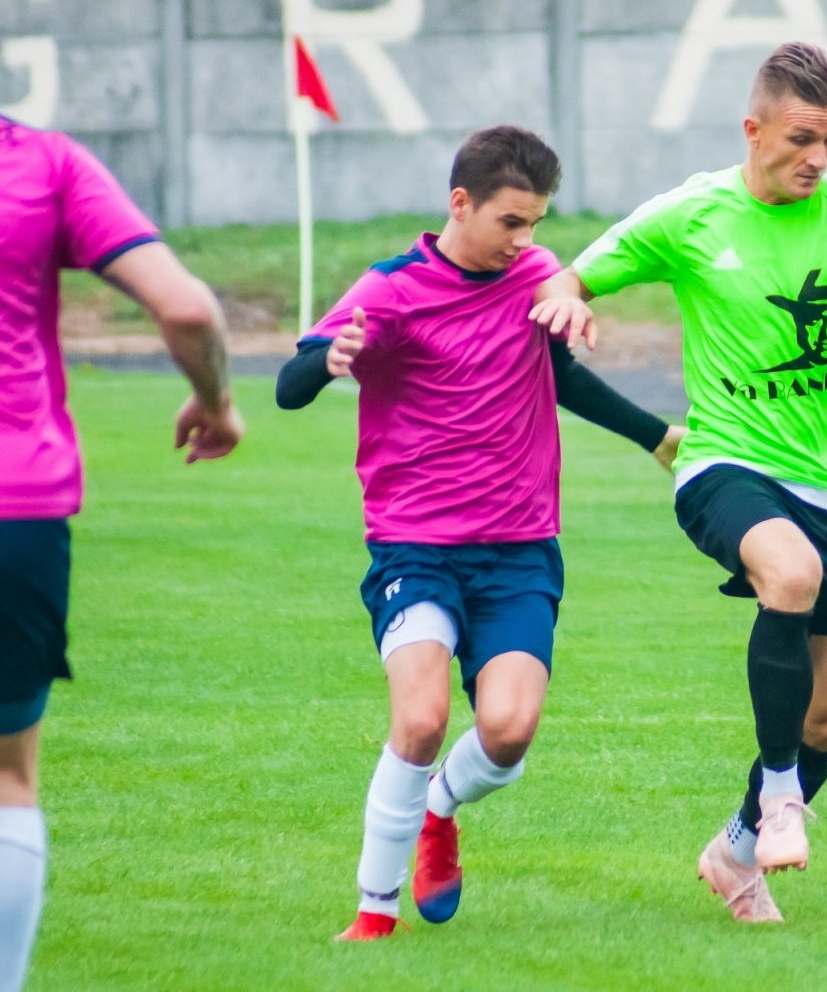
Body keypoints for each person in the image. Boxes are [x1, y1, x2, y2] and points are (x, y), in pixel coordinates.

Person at [531, 42, 827, 923]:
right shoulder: (692, 213)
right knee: (790, 576)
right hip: (722, 463)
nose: (817, 159)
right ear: (753, 131)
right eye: (799, 139)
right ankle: (782, 796)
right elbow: (571, 271)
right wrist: (570, 296)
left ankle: (736, 850)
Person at [0, 0, 243, 991]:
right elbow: (184, 307)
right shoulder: (42, 160)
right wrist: (216, 400)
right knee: (1, 778)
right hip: (8, 509)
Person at [275, 125, 684, 941]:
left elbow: (560, 375)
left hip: (520, 550)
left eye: (534, 224)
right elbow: (288, 386)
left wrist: (657, 436)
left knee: (507, 731)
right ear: (460, 204)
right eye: (510, 222)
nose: (525, 242)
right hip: (415, 549)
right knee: (422, 719)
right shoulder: (389, 290)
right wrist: (328, 359)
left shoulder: (532, 274)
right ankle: (374, 913)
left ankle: (441, 807)